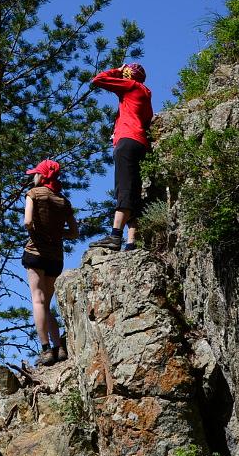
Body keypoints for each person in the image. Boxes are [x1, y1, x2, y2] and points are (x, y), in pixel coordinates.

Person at [89, 63, 153, 251]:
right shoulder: (146, 94)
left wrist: (118, 69)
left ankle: (115, 236)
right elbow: (147, 121)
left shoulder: (131, 86)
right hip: (140, 143)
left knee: (123, 188)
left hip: (127, 141)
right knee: (134, 190)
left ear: (128, 77)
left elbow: (99, 79)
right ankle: (131, 242)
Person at [22, 159, 78, 366]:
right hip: (56, 257)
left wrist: (36, 231)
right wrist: (56, 232)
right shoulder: (63, 201)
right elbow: (73, 233)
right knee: (46, 304)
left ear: (41, 176)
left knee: (37, 300)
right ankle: (59, 347)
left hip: (35, 252)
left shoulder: (33, 194)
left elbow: (28, 221)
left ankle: (46, 349)